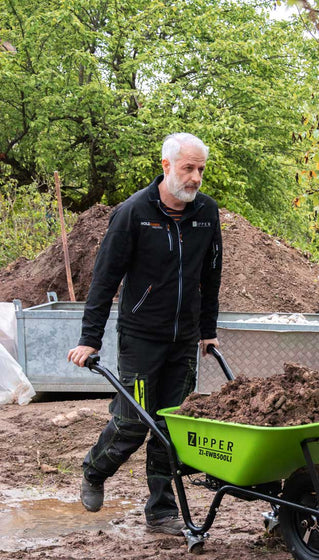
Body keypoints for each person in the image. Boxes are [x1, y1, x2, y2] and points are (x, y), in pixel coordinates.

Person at [68, 132, 222, 535]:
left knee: (171, 425)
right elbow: (105, 280)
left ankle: (161, 512)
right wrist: (90, 338)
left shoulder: (206, 212)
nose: (196, 178)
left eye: (201, 169)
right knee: (135, 421)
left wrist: (208, 330)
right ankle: (95, 470)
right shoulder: (134, 213)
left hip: (184, 340)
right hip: (140, 338)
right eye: (189, 168)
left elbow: (212, 275)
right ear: (167, 166)